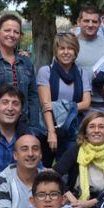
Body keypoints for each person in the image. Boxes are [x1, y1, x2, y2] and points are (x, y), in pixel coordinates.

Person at [53, 111, 104, 208]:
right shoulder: (76, 150)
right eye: (91, 127)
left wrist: (87, 204)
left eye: (101, 127)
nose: (96, 131)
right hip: (75, 200)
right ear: (85, 132)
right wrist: (71, 198)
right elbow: (53, 174)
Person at [36, 33, 92, 166]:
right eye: (62, 48)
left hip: (73, 131)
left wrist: (60, 106)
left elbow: (86, 103)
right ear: (56, 51)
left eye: (70, 48)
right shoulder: (46, 72)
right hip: (48, 128)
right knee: (44, 169)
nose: (66, 52)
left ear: (76, 51)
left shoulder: (82, 73)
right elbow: (45, 105)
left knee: (70, 170)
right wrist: (51, 132)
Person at [0, 14, 39, 133]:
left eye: (16, 32)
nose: (11, 34)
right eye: (7, 30)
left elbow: (33, 96)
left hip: (23, 126)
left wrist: (33, 127)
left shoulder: (26, 62)